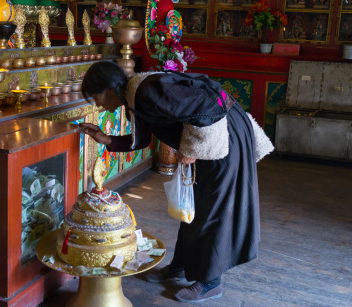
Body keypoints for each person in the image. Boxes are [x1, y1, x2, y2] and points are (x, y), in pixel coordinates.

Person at [79, 61, 273, 303]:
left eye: (95, 97)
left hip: (225, 135)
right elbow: (142, 140)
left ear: (109, 90)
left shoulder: (146, 90)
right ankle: (179, 267)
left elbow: (208, 103)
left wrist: (192, 148)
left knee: (212, 207)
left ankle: (210, 282)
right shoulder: (134, 96)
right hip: (213, 131)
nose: (97, 104)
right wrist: (105, 138)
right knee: (193, 204)